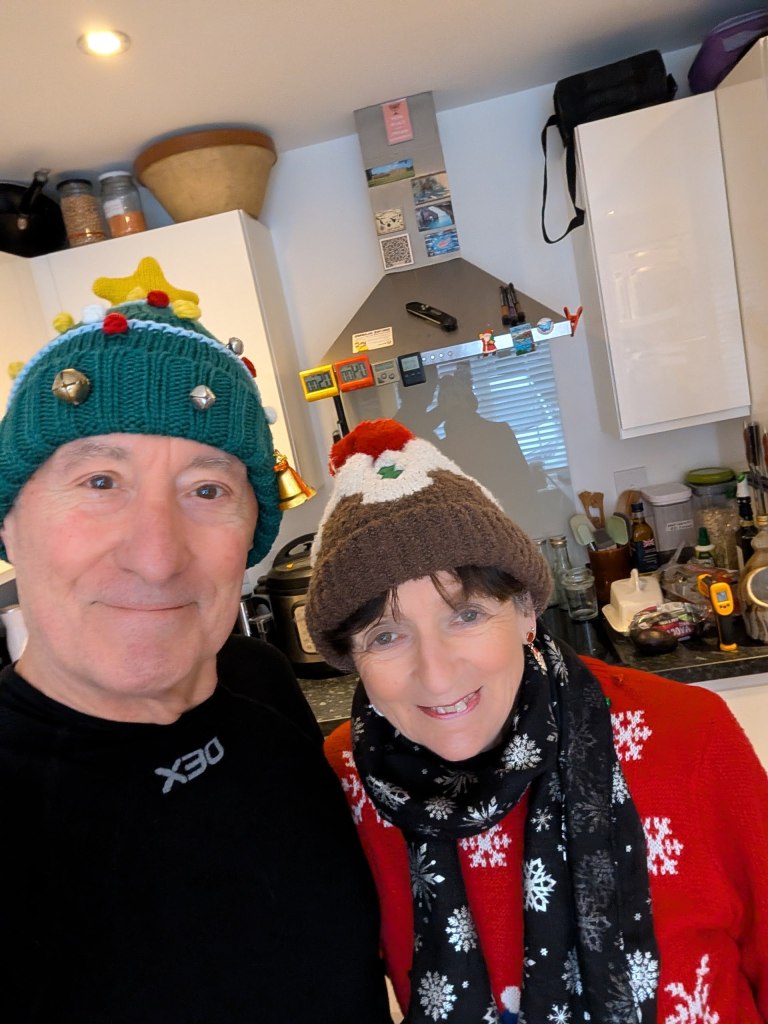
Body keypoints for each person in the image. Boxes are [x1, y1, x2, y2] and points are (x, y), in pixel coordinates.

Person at [0, 260, 392, 1023]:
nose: (156, 556)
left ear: (251, 532)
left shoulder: (260, 683)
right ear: (9, 523)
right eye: (100, 482)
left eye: (206, 489)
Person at [306, 417, 768, 1024]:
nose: (437, 676)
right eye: (386, 636)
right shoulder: (346, 777)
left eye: (466, 615)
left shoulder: (687, 734)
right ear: (351, 657)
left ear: (526, 610)